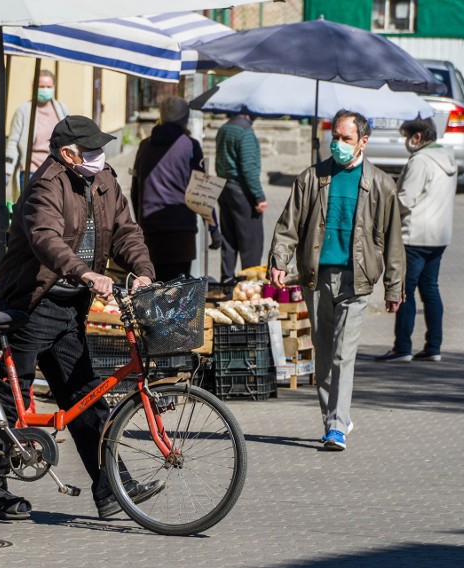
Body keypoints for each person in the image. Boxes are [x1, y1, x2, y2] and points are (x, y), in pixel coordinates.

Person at [0, 115, 162, 520]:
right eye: (91, 150)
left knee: (83, 394)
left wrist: (143, 270)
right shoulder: (48, 183)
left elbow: (126, 231)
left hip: (70, 305)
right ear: (67, 153)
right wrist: (86, 272)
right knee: (10, 399)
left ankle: (111, 487)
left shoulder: (104, 178)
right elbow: (45, 238)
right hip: (32, 300)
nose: (100, 156)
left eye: (100, 148)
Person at [269, 110, 404, 452]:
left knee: (344, 353)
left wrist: (393, 286)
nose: (339, 144)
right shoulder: (312, 178)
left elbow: (392, 241)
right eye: (336, 137)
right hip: (316, 278)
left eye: (347, 138)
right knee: (325, 353)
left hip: (356, 280)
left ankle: (337, 426)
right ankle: (334, 416)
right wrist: (279, 260)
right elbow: (289, 225)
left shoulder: (381, 184)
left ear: (363, 141)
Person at [376, 117, 456, 363]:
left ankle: (402, 347)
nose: (405, 142)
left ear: (418, 137)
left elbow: (405, 199)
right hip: (439, 236)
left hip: (415, 235)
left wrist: (382, 214)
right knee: (430, 288)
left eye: (406, 136)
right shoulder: (447, 160)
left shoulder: (421, 161)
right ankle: (434, 347)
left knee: (405, 291)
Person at [131, 96, 222, 281]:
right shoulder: (190, 146)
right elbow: (201, 192)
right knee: (178, 290)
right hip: (181, 231)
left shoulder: (144, 146)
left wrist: (140, 223)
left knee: (154, 287)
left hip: (151, 230)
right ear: (185, 119)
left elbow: (135, 190)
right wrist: (213, 228)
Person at [215, 112, 267, 282]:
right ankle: (249, 286)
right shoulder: (245, 133)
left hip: (225, 188)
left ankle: (227, 284)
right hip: (242, 193)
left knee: (228, 242)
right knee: (251, 245)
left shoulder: (224, 128)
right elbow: (249, 169)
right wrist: (259, 196)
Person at [5, 69, 70, 199]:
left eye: (48, 87)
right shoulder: (24, 111)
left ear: (54, 87)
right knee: (31, 213)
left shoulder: (61, 109)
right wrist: (7, 171)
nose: (45, 90)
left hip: (55, 171)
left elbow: (69, 138)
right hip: (30, 172)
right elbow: (13, 142)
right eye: (41, 86)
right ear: (34, 87)